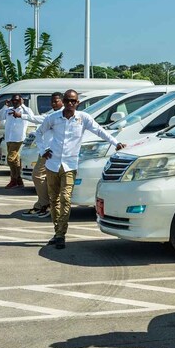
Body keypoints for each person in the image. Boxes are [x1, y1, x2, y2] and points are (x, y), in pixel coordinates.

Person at [36, 89, 126, 249]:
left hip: (70, 166)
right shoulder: (53, 118)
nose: (70, 103)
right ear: (63, 102)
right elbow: (39, 133)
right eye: (67, 100)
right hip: (52, 164)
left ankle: (61, 234)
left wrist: (115, 143)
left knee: (65, 198)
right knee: (54, 200)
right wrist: (43, 150)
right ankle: (58, 232)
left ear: (77, 103)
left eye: (73, 101)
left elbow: (100, 130)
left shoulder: (83, 118)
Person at [22, 92, 63, 218]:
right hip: (45, 151)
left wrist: (22, 115)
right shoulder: (53, 113)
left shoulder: (60, 114)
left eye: (56, 101)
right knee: (43, 177)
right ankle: (42, 204)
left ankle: (45, 204)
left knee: (37, 175)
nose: (53, 103)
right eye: (52, 101)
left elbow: (41, 119)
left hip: (52, 152)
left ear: (62, 101)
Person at [0, 94, 35, 188]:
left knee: (10, 159)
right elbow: (0, 117)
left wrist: (22, 105)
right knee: (15, 161)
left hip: (18, 138)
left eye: (17, 100)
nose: (15, 102)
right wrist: (5, 105)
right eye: (13, 100)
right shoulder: (8, 110)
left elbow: (31, 117)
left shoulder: (24, 110)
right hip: (9, 138)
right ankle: (18, 180)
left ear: (21, 101)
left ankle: (14, 179)